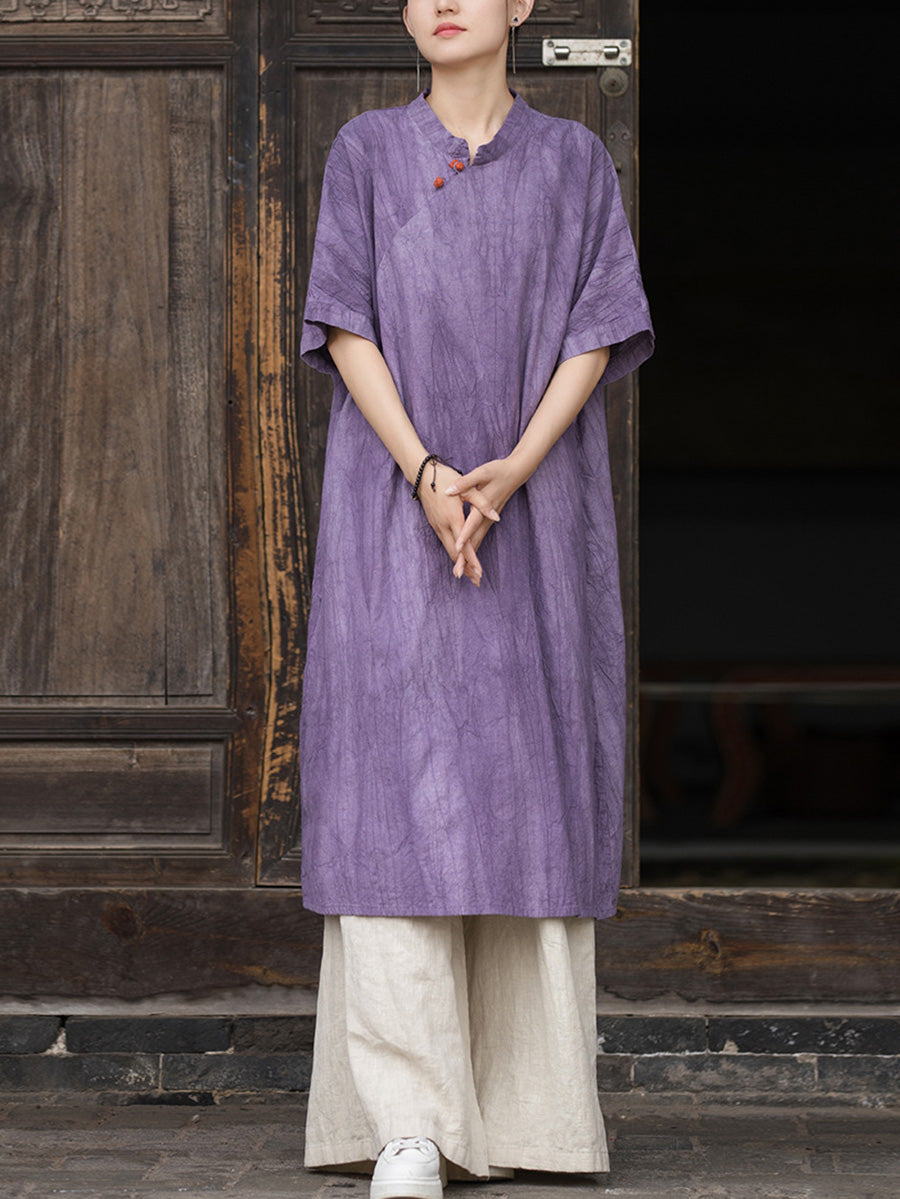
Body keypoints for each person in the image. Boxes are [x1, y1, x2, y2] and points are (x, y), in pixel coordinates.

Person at [298, 0, 653, 1193]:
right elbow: (345, 321)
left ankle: (537, 1118)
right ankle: (410, 1120)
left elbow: (598, 328)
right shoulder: (365, 150)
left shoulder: (574, 160)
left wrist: (513, 468)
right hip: (393, 506)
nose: (443, 0)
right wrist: (429, 472)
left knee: (529, 785)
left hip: (534, 512)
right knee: (389, 790)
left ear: (524, 4)